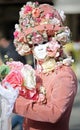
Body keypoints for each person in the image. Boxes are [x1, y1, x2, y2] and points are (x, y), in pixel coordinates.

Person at [0, 2, 77, 130]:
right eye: (35, 44)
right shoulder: (38, 72)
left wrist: (14, 102)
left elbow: (54, 113)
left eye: (45, 42)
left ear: (56, 41)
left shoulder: (64, 76)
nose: (40, 48)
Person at [0, 31, 25, 130]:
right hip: (14, 84)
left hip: (16, 84)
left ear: (3, 40)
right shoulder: (8, 49)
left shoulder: (12, 51)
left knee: (17, 113)